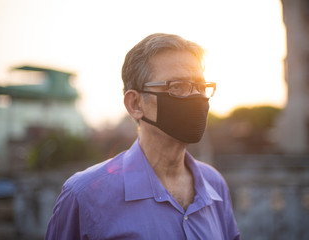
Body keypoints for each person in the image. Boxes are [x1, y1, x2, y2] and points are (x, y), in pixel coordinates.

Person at [45, 33, 240, 240]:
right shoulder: (84, 196)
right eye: (177, 87)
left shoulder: (214, 184)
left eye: (200, 87)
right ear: (135, 104)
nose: (195, 98)